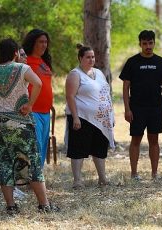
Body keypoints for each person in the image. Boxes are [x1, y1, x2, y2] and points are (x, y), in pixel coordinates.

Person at [0, 38, 59, 214]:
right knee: (32, 163)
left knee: (4, 162)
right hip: (21, 123)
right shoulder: (22, 68)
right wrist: (30, 105)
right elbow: (38, 83)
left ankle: (11, 206)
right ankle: (44, 205)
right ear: (15, 53)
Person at [119, 30, 162, 180]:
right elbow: (125, 87)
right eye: (144, 43)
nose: (148, 46)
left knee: (154, 140)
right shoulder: (132, 62)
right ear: (140, 44)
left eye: (150, 43)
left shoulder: (160, 62)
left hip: (155, 108)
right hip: (137, 108)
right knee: (136, 140)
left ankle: (155, 174)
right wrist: (127, 109)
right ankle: (134, 173)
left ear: (154, 43)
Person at [65, 44, 115, 188]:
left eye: (93, 57)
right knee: (78, 149)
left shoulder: (98, 73)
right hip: (81, 118)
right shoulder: (75, 74)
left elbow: (106, 94)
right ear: (80, 58)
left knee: (99, 149)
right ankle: (77, 181)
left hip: (101, 119)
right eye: (88, 57)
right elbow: (70, 96)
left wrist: (111, 116)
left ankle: (102, 178)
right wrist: (75, 117)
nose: (91, 60)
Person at [22, 29, 53, 168]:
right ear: (32, 42)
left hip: (46, 112)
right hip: (32, 110)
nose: (44, 45)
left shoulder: (44, 61)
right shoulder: (24, 61)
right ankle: (33, 179)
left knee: (42, 146)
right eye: (41, 41)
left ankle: (36, 178)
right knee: (36, 146)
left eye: (46, 42)